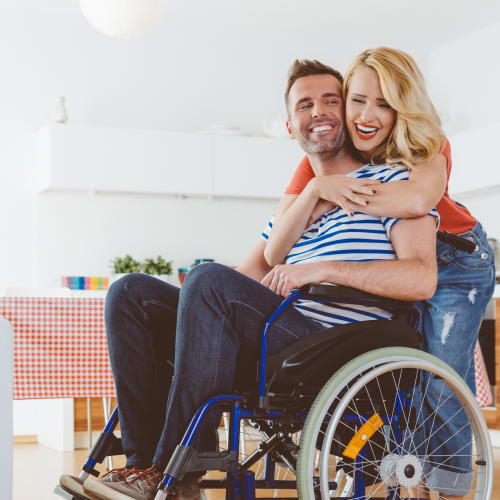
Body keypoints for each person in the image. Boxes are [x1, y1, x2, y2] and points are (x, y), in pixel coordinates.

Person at [59, 60, 438, 500]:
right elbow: (242, 277)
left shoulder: (392, 181)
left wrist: (323, 268)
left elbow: (421, 278)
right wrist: (192, 313)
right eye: (305, 104)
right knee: (131, 293)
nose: (318, 111)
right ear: (289, 124)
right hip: (281, 328)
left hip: (333, 341)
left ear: (348, 113)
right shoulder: (294, 209)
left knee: (207, 280)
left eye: (331, 100)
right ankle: (142, 465)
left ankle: (175, 473)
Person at [265, 49, 496, 498]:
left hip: (459, 262)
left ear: (403, 109)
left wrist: (337, 195)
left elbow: (414, 203)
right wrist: (316, 187)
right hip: (399, 260)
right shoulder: (334, 147)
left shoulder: (428, 143)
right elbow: (281, 227)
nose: (367, 115)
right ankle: (410, 471)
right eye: (358, 100)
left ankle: (449, 487)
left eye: (385, 104)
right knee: (411, 376)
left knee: (440, 374)